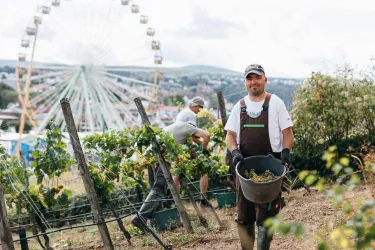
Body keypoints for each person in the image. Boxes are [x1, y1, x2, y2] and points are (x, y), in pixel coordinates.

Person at [225, 64, 294, 250]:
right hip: (245, 168)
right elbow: (230, 136)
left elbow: (288, 134)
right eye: (249, 78)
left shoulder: (276, 103)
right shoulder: (239, 107)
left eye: (257, 77)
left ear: (265, 79)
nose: (253, 82)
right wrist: (235, 152)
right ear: (245, 82)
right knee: (244, 214)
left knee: (268, 214)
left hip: (271, 168)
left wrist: (285, 152)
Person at [131, 97, 211, 230]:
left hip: (151, 155)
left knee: (154, 188)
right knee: (159, 189)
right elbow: (206, 135)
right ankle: (140, 218)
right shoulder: (188, 127)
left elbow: (191, 141)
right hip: (159, 157)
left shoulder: (177, 127)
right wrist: (205, 149)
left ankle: (154, 222)